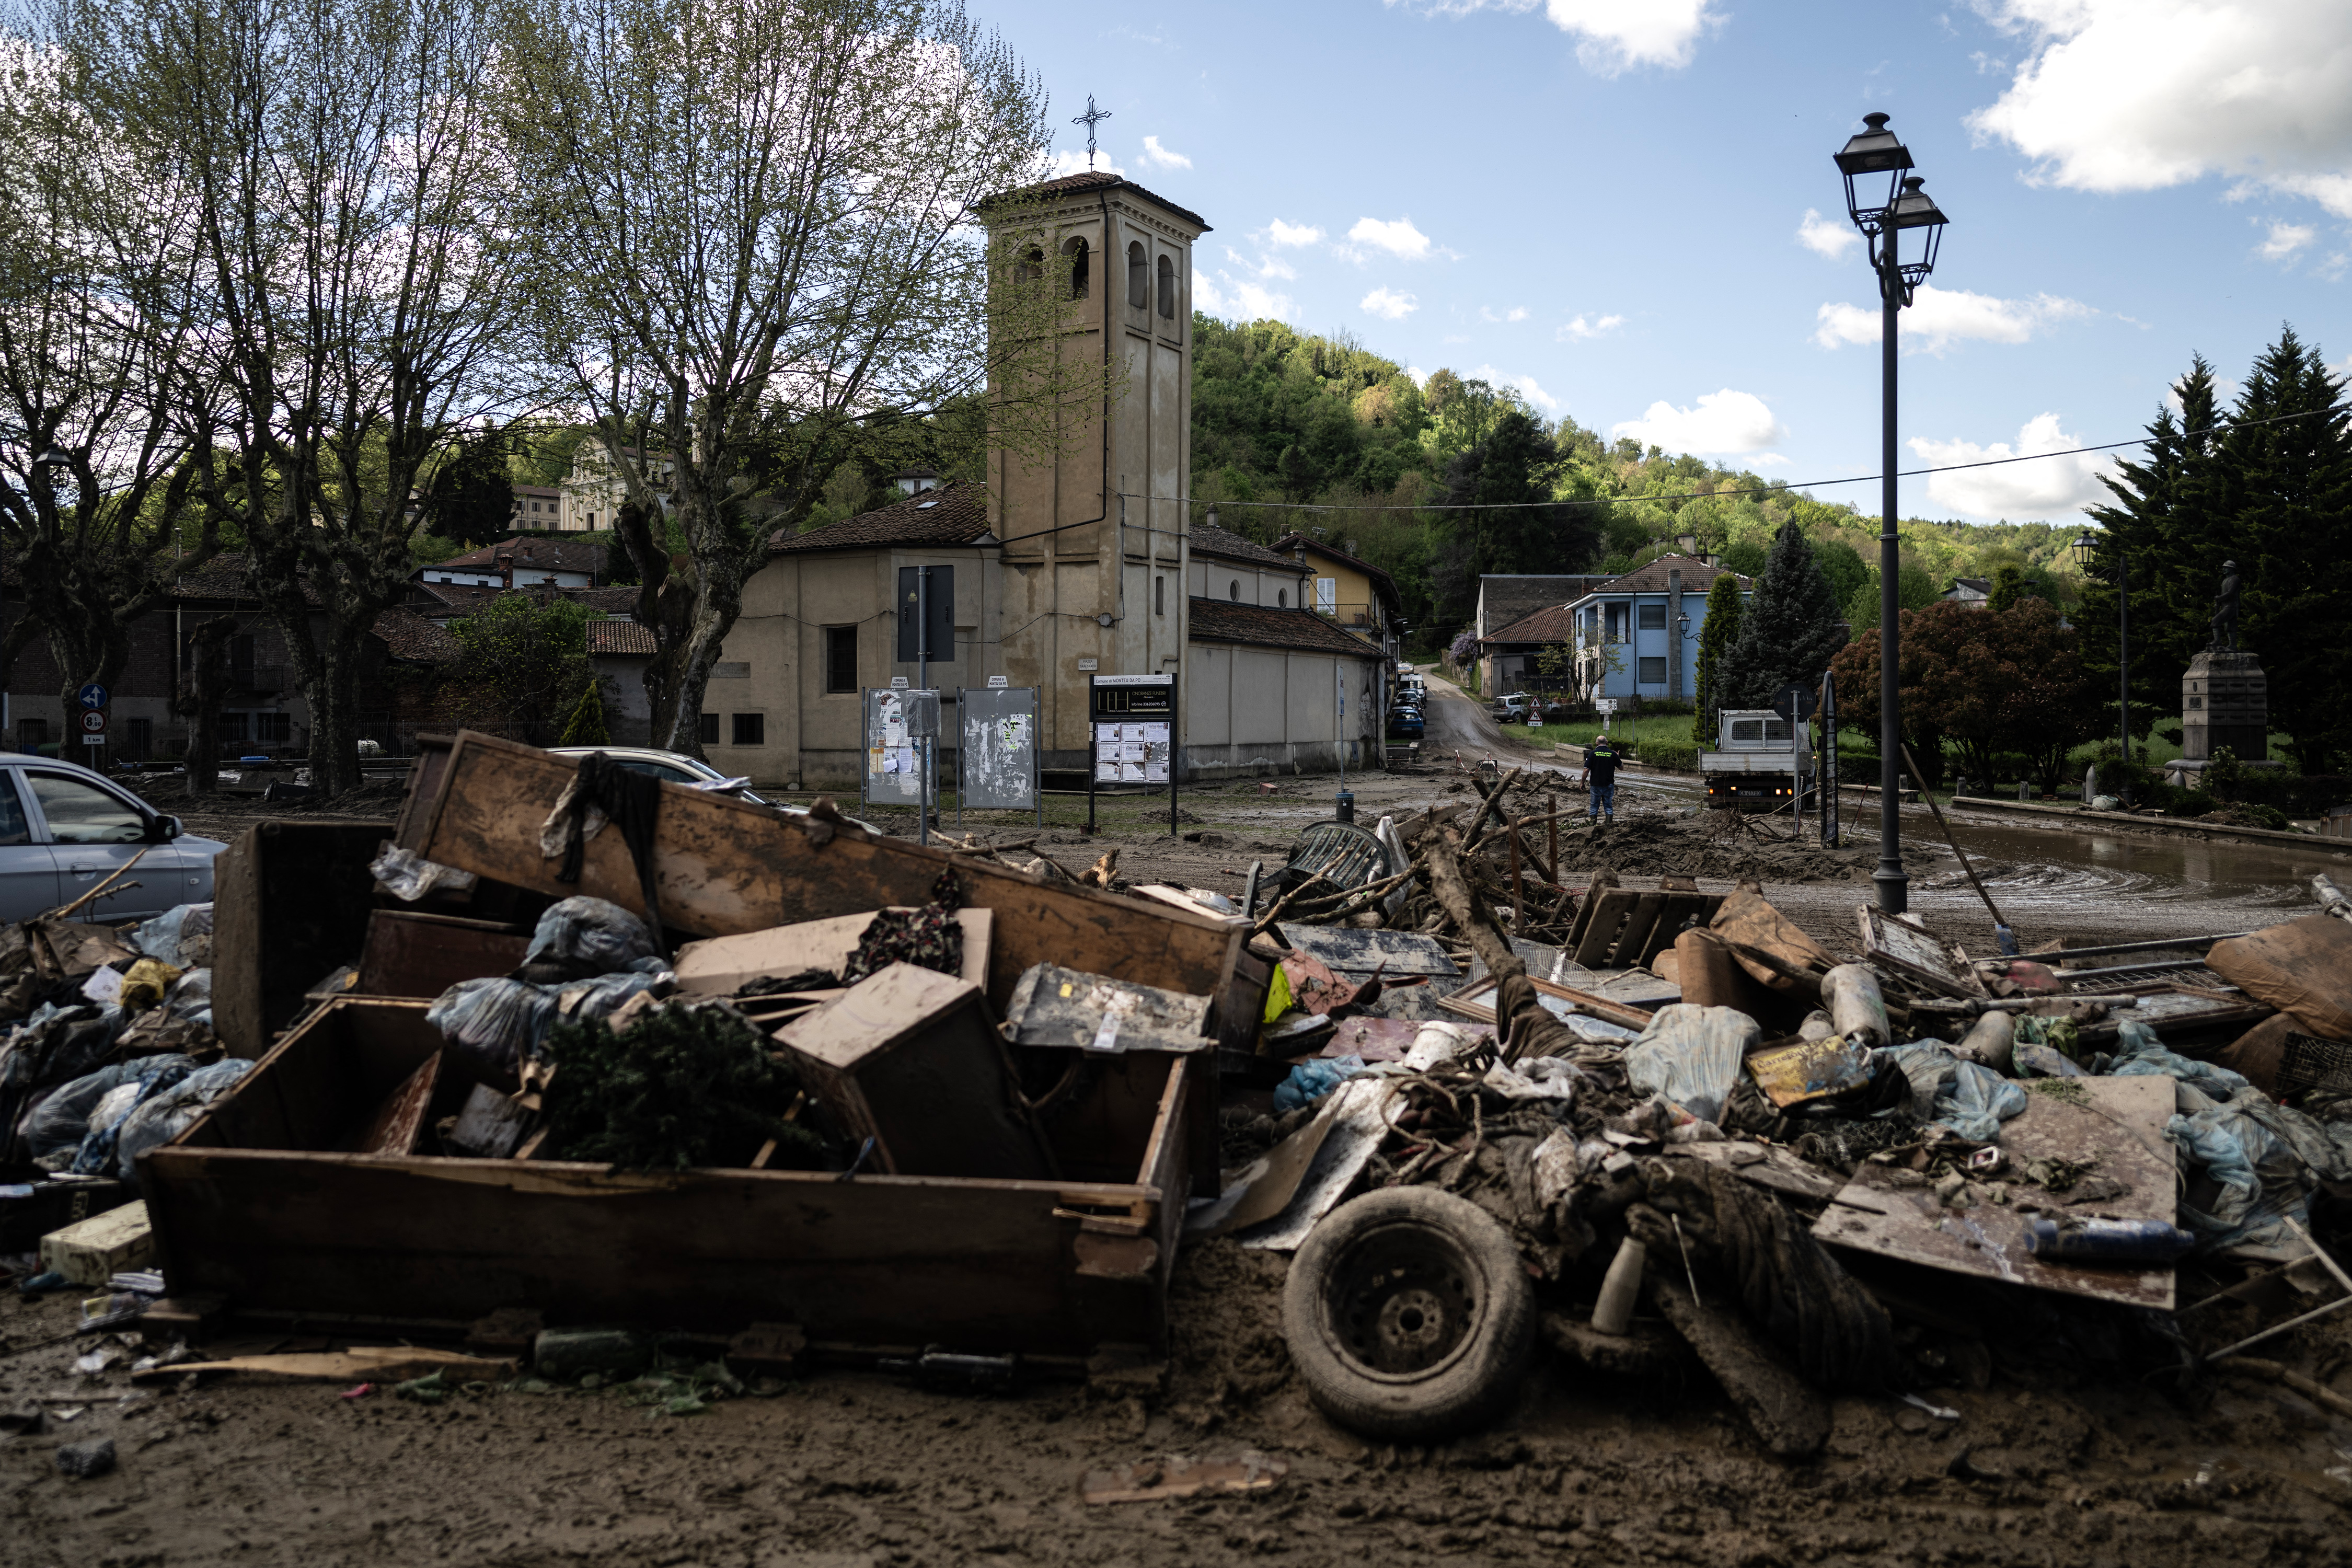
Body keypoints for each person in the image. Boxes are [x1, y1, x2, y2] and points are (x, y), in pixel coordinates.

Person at [1584, 734, 1620, 821]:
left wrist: (1582, 782)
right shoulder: (1612, 754)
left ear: (1597, 743)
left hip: (1595, 784)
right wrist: (1618, 757)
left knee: (1594, 806)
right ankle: (1608, 825)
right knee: (1608, 806)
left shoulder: (1593, 754)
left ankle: (1592, 825)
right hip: (1609, 784)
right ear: (1606, 742)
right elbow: (1621, 767)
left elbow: (1586, 770)